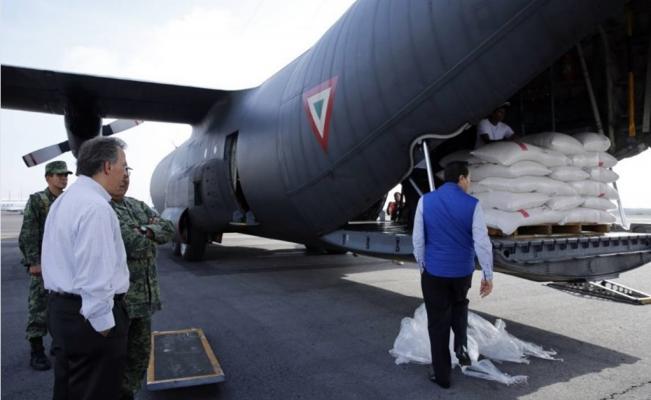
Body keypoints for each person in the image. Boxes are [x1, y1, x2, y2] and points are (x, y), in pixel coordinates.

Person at [42, 137, 131, 400]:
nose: (125, 173)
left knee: (69, 388)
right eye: (124, 166)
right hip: (89, 320)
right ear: (107, 167)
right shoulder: (95, 207)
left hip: (63, 312)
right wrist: (103, 325)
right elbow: (95, 272)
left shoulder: (65, 201)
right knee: (96, 390)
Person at [412, 161, 494, 389]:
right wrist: (488, 275)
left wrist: (422, 265)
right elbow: (482, 243)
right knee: (459, 304)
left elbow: (418, 239)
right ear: (461, 178)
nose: (469, 183)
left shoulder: (425, 201)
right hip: (462, 272)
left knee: (438, 323)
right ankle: (461, 346)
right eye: (469, 179)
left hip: (434, 272)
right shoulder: (473, 205)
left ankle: (443, 376)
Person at [110, 171, 175, 400]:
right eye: (119, 173)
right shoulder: (103, 209)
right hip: (120, 302)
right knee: (114, 356)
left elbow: (169, 229)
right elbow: (132, 243)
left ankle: (128, 394)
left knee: (140, 353)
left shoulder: (137, 205)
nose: (125, 178)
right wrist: (150, 233)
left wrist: (145, 230)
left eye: (127, 173)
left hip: (144, 300)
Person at [18, 160, 72, 371]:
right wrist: (33, 261)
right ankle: (37, 351)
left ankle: (58, 345)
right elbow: (28, 232)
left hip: (65, 264)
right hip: (43, 264)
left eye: (66, 175)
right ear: (48, 177)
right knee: (38, 308)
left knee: (63, 307)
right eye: (59, 175)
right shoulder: (38, 200)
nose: (64, 178)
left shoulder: (69, 200)